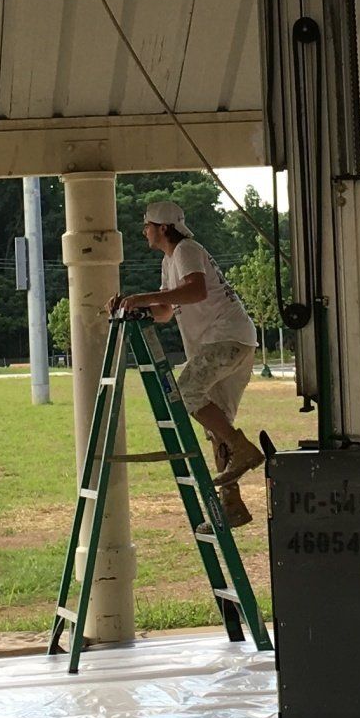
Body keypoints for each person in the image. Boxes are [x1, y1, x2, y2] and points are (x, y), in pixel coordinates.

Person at [114, 200, 264, 523]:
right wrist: (135, 306)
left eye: (148, 225)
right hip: (237, 341)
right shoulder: (171, 262)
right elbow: (166, 312)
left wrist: (144, 298)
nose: (144, 231)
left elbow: (194, 291)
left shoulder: (185, 250)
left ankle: (243, 448)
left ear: (163, 228)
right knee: (216, 423)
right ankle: (232, 502)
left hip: (225, 339)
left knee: (185, 393)